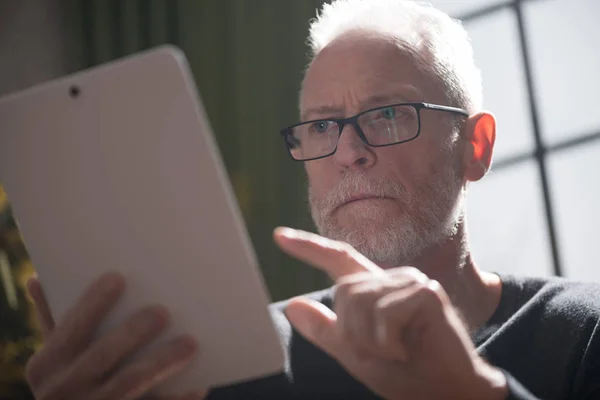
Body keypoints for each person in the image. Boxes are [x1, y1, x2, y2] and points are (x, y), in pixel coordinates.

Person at [23, 0, 600, 399]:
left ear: (474, 146)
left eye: (388, 114)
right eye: (321, 127)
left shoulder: (582, 333)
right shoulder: (233, 363)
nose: (349, 151)